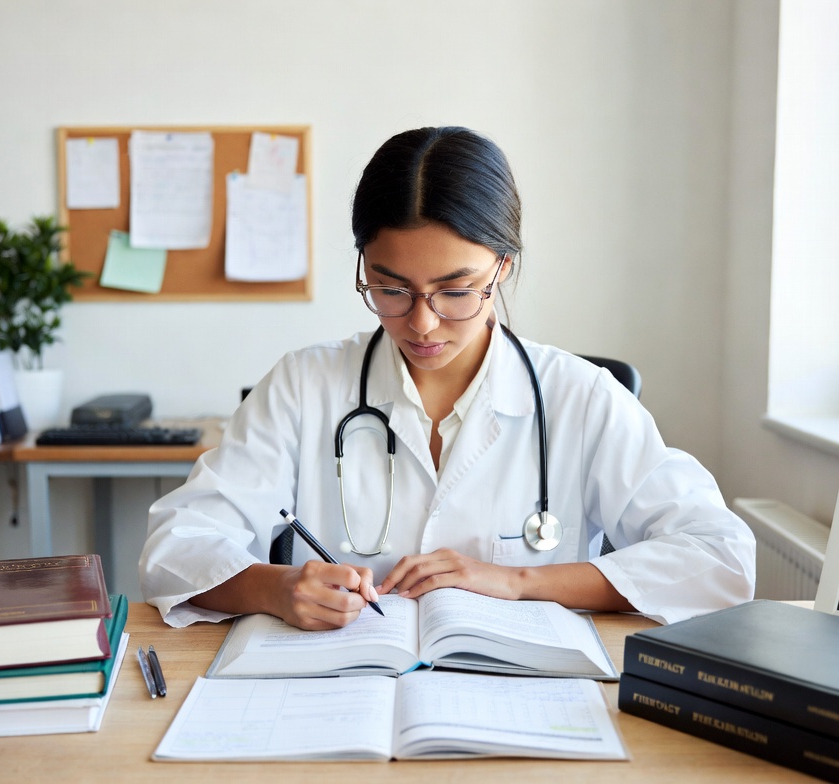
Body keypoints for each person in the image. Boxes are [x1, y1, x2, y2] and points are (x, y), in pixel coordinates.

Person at [139, 126, 755, 631]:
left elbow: (719, 555)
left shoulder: (582, 397)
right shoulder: (304, 386)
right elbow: (176, 544)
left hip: (526, 699)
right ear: (364, 266)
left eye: (456, 291)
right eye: (391, 289)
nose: (423, 322)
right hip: (339, 690)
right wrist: (273, 587)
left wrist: (519, 583)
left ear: (502, 268)